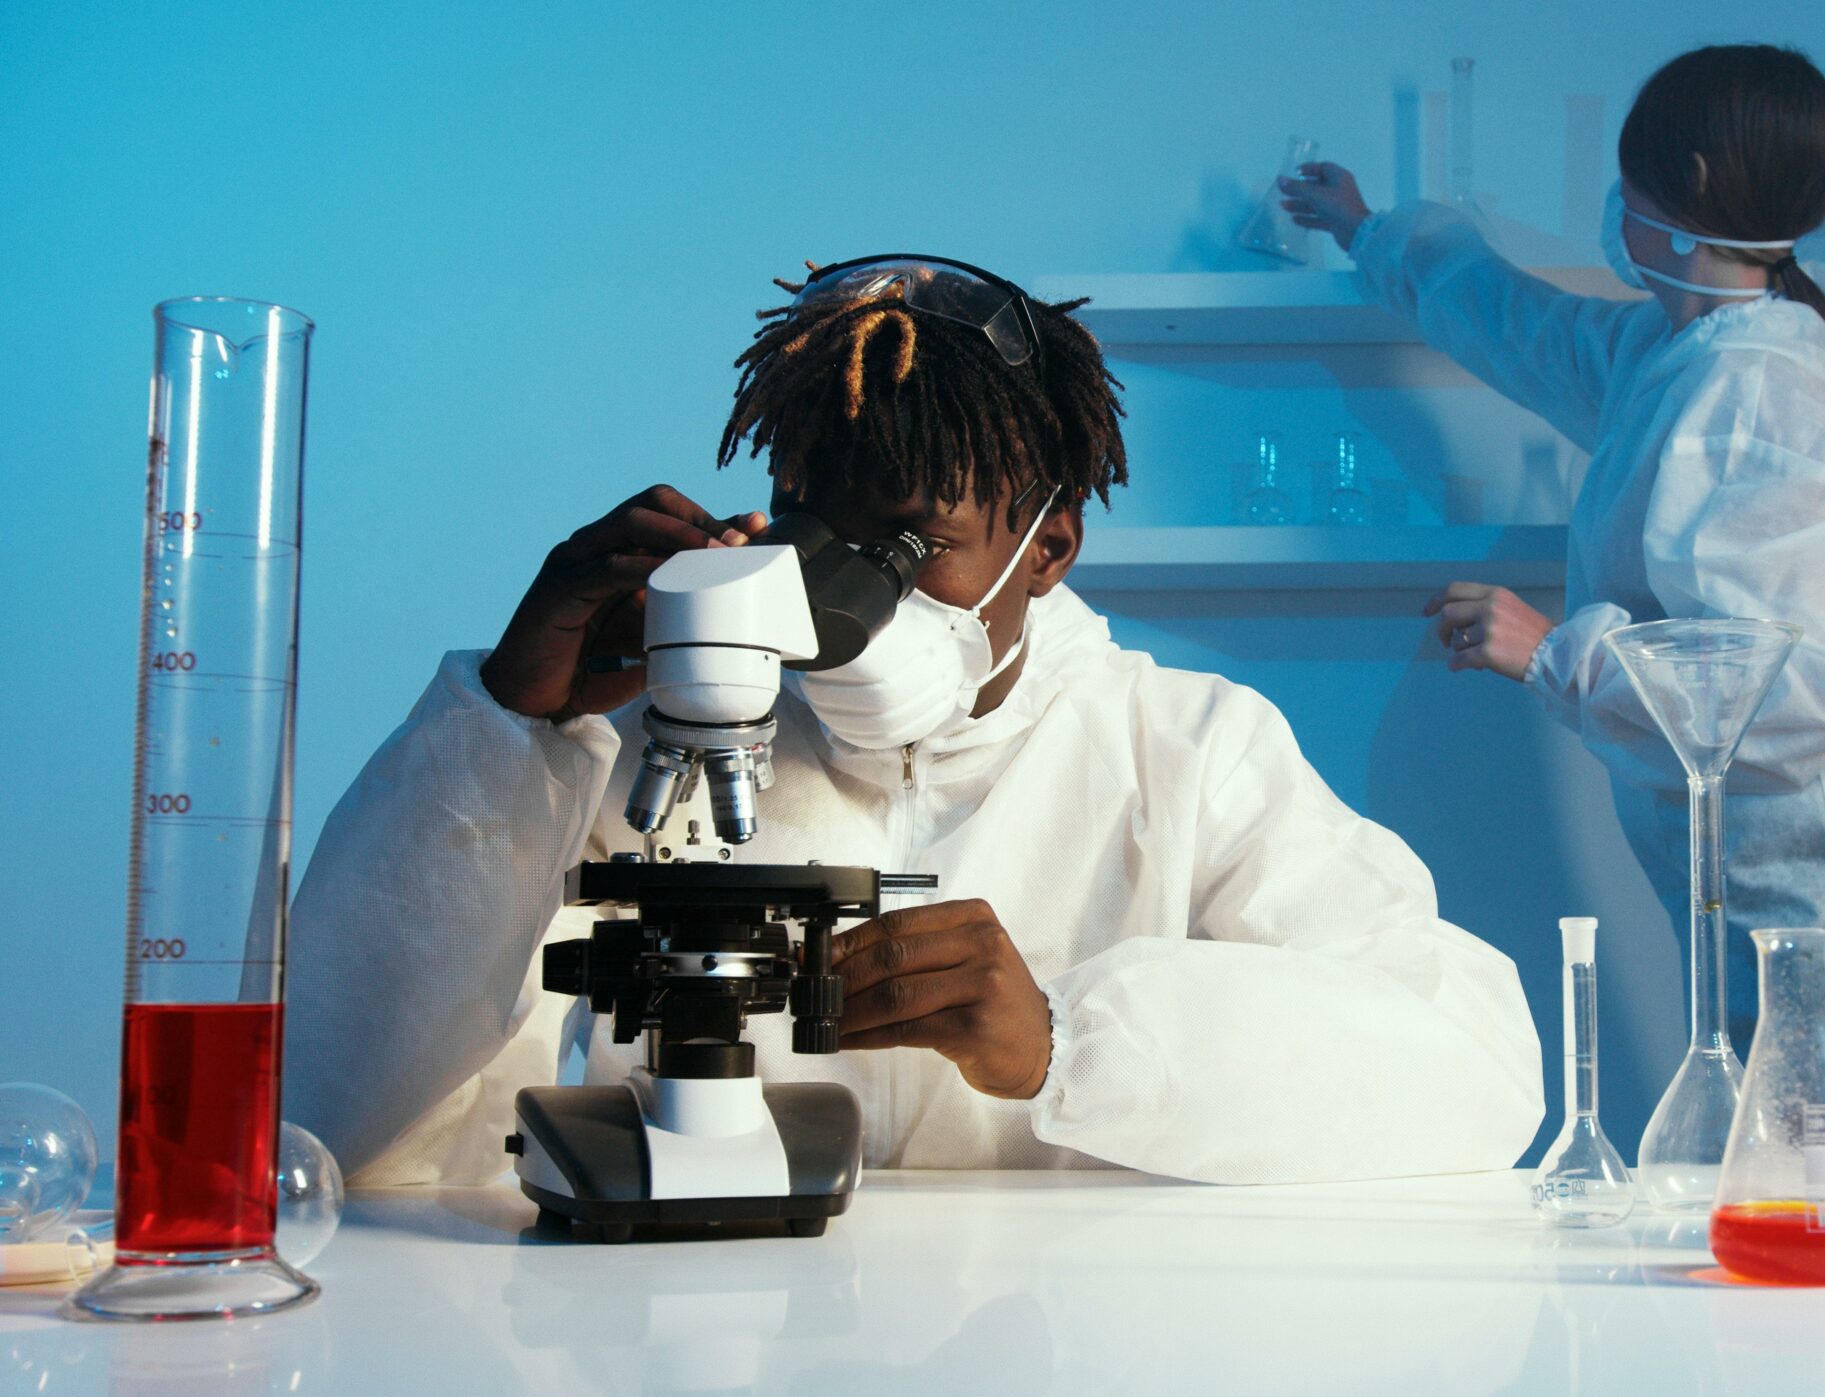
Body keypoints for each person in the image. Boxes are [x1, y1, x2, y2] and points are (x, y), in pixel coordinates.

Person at [285, 255, 1542, 1186]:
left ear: (1046, 547)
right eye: (816, 524)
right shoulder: (671, 731)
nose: (848, 593)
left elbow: (1473, 1074)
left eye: (915, 541)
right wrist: (512, 734)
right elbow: (333, 1116)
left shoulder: (1188, 750)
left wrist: (1068, 1042)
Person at [1280, 45, 1825, 1161]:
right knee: (1807, 1183)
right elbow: (1529, 329)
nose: (1608, 208)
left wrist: (1553, 653)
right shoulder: (1696, 343)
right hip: (1780, 867)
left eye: (1626, 184)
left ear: (1679, 193)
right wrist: (1371, 231)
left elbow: (1799, 693)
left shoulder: (1756, 392)